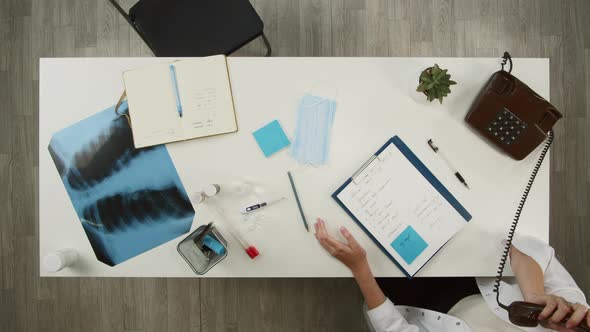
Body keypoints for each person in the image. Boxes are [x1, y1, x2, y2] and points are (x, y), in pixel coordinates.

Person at [313, 218, 589, 332]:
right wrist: (535, 294)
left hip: (402, 300)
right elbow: (526, 244)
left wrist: (360, 269)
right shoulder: (571, 319)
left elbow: (392, 327)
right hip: (465, 268)